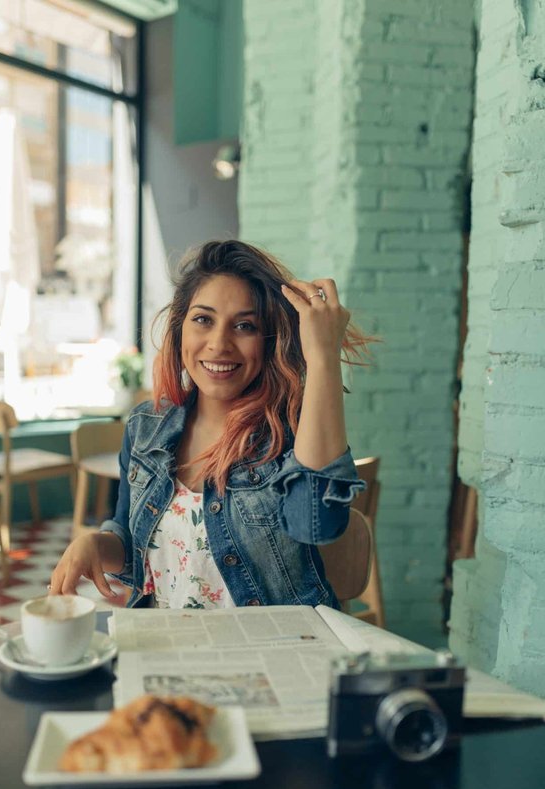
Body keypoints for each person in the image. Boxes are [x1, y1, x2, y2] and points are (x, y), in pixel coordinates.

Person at [50, 239, 372, 609]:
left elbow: (317, 526)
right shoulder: (144, 426)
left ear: (268, 342)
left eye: (245, 326)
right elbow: (130, 544)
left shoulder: (292, 438)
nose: (219, 344)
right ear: (180, 328)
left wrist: (322, 355)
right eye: (203, 319)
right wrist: (95, 543)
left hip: (272, 655)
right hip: (171, 651)